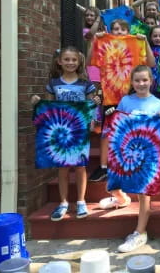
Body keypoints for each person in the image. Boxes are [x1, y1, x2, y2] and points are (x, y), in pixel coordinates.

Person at [106, 65, 160, 253]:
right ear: (132, 82)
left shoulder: (158, 104)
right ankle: (122, 199)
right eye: (137, 80)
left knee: (144, 194)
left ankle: (140, 232)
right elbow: (118, 126)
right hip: (127, 154)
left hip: (149, 156)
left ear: (151, 81)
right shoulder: (126, 101)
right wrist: (111, 115)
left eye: (145, 80)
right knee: (113, 183)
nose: (141, 84)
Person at [31, 47, 99, 221]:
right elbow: (48, 106)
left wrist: (93, 114)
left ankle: (81, 201)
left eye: (73, 60)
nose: (70, 63)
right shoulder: (53, 83)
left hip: (79, 130)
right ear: (59, 61)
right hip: (60, 131)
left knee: (80, 166)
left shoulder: (85, 83)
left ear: (79, 62)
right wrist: (38, 103)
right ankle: (63, 202)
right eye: (67, 60)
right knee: (62, 167)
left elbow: (91, 105)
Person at [87, 19, 155, 185]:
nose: (118, 32)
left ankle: (128, 165)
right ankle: (104, 167)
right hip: (110, 98)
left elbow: (151, 64)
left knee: (130, 132)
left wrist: (145, 41)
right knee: (107, 133)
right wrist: (95, 40)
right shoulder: (104, 43)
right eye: (115, 29)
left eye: (122, 30)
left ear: (128, 32)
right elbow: (89, 62)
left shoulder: (135, 44)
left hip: (132, 97)